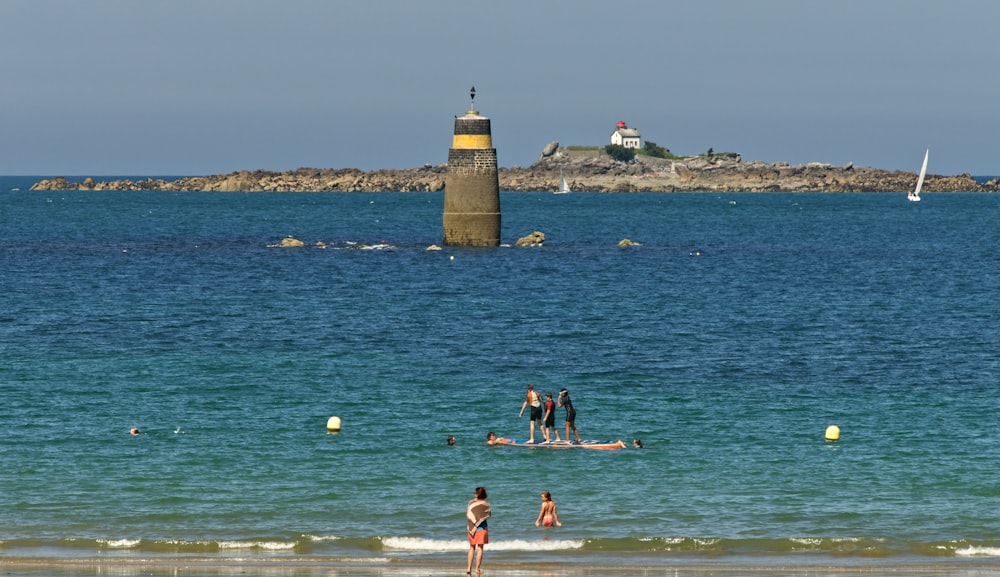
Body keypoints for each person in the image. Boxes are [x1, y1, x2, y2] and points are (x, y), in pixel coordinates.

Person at [466, 486, 491, 574]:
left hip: (471, 528)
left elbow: (469, 514)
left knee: (471, 547)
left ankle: (469, 568)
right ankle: (477, 569)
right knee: (480, 548)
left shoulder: (471, 503)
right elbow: (488, 514)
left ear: (476, 494)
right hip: (482, 529)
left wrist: (475, 499)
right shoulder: (486, 504)